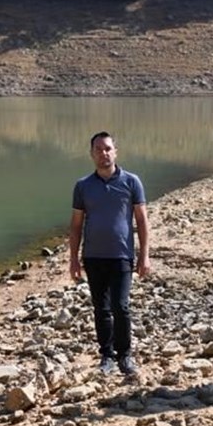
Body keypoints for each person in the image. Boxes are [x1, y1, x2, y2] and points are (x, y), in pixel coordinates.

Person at [69, 131, 151, 375]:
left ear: (115, 151)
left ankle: (125, 355)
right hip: (93, 256)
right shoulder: (83, 186)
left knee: (121, 306)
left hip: (122, 255)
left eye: (107, 149)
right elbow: (75, 225)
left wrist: (144, 255)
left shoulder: (131, 182)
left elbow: (142, 220)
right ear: (91, 154)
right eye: (98, 149)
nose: (103, 153)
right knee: (101, 309)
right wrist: (73, 259)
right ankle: (107, 356)